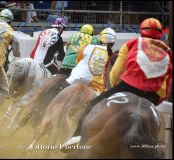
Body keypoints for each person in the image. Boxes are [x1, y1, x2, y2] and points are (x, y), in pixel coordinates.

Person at [61, 18, 173, 151]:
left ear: (141, 31)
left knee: (92, 103)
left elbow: (116, 71)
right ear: (160, 33)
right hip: (152, 95)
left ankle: (77, 136)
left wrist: (114, 86)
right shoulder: (168, 51)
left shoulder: (132, 43)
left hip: (128, 87)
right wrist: (160, 98)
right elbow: (168, 79)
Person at [65, 27, 117, 94]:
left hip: (75, 80)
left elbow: (77, 61)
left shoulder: (88, 47)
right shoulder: (113, 55)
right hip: (96, 87)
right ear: (113, 43)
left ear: (100, 39)